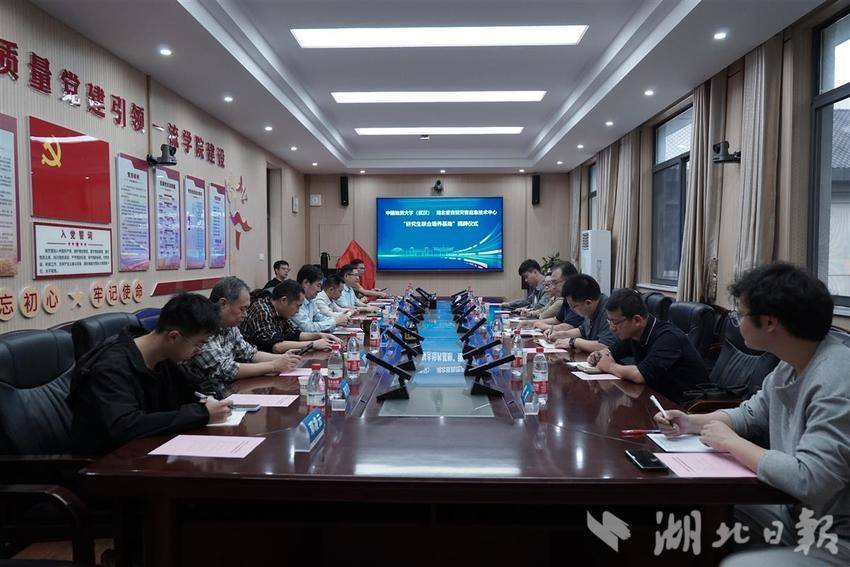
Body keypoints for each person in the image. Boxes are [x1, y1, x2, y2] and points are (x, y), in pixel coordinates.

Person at [654, 263, 850, 566]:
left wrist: (731, 443)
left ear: (769, 321)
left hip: (836, 535)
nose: (736, 321)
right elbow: (750, 414)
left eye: (740, 314)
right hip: (797, 512)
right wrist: (690, 422)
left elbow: (811, 479)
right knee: (690, 508)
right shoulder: (789, 364)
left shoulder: (836, 378)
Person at [68, 293, 233, 455]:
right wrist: (202, 413)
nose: (200, 351)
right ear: (174, 337)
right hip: (105, 462)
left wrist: (210, 398)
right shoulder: (110, 368)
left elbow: (196, 388)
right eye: (198, 344)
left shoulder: (164, 358)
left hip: (149, 450)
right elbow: (126, 426)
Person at [185, 277, 301, 399]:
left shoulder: (230, 326)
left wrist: (283, 358)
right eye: (242, 309)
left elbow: (249, 353)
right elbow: (225, 369)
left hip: (228, 391)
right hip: (206, 396)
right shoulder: (204, 328)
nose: (245, 315)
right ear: (223, 304)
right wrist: (274, 365)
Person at [586, 288, 708, 403]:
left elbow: (640, 375)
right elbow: (611, 352)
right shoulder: (632, 333)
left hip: (686, 404)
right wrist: (599, 355)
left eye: (615, 322)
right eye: (609, 321)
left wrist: (610, 366)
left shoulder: (668, 338)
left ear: (637, 320)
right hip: (655, 397)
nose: (611, 328)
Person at [240, 279, 340, 353]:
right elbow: (277, 346)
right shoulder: (262, 311)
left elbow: (295, 334)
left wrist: (319, 336)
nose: (298, 311)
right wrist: (312, 344)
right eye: (298, 306)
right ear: (284, 300)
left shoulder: (280, 311)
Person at [553, 274, 617, 353]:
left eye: (573, 306)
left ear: (588, 303)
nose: (572, 310)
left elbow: (605, 346)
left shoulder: (609, 311)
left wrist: (574, 342)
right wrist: (562, 334)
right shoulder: (591, 309)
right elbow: (582, 330)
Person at [291, 264, 350, 332]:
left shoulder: (311, 300)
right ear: (306, 283)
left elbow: (319, 317)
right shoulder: (295, 301)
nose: (319, 290)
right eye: (318, 285)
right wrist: (335, 321)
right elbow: (308, 328)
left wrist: (337, 321)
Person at [531, 262, 584, 331]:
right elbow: (557, 320)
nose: (553, 287)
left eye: (555, 283)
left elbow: (570, 326)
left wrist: (545, 327)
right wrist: (531, 323)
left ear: (569, 280)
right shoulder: (566, 297)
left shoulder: (578, 297)